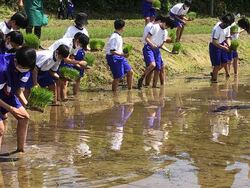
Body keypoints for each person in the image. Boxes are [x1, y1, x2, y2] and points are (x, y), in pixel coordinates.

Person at [0, 47, 36, 154]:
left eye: (27, 68)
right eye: (22, 67)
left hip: (6, 93)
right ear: (15, 61)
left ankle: (20, 151)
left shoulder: (27, 68)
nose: (24, 69)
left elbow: (18, 90)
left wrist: (27, 103)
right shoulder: (2, 67)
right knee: (0, 129)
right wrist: (11, 109)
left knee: (24, 117)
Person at [138, 16, 175, 89]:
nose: (166, 27)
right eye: (167, 25)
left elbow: (161, 45)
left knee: (158, 68)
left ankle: (154, 87)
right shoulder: (155, 27)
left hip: (156, 50)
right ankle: (142, 78)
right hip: (149, 48)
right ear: (164, 22)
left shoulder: (165, 32)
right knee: (152, 65)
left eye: (168, 27)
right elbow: (147, 38)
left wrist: (170, 51)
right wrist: (152, 45)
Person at [59, 33, 89, 100]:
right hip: (55, 59)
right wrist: (79, 62)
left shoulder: (76, 45)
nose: (81, 47)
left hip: (61, 59)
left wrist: (79, 66)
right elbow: (66, 60)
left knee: (65, 80)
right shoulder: (66, 44)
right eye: (81, 45)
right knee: (61, 81)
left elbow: (72, 57)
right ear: (78, 41)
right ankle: (61, 98)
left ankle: (63, 98)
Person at [106, 19, 133, 92]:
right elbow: (112, 51)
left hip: (120, 56)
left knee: (130, 71)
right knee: (117, 77)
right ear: (122, 27)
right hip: (113, 57)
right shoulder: (114, 37)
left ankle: (129, 90)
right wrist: (123, 54)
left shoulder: (118, 36)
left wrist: (123, 54)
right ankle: (114, 93)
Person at [209, 14, 235, 83]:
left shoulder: (227, 27)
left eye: (229, 25)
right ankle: (214, 80)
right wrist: (223, 47)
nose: (227, 26)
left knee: (225, 62)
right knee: (217, 65)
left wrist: (229, 45)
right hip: (214, 46)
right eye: (226, 24)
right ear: (223, 21)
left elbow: (227, 37)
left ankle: (223, 75)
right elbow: (214, 41)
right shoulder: (216, 29)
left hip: (222, 43)